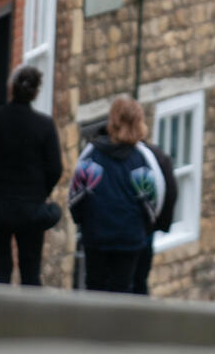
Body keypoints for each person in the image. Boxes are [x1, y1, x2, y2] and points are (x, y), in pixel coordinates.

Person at [0, 65, 62, 286]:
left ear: (11, 88)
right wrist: (40, 191)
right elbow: (55, 169)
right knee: (30, 271)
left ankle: (0, 309)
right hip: (31, 209)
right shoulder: (44, 126)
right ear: (36, 93)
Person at [69, 97, 165, 294]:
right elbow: (154, 202)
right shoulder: (142, 158)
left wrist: (82, 222)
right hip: (130, 238)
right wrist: (143, 228)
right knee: (122, 291)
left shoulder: (92, 154)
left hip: (96, 235)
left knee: (94, 287)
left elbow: (75, 197)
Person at [132, 140, 178, 295]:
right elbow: (170, 192)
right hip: (144, 231)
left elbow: (169, 191)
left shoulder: (150, 156)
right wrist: (158, 224)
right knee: (138, 284)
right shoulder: (152, 154)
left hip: (138, 232)